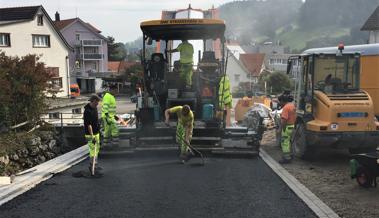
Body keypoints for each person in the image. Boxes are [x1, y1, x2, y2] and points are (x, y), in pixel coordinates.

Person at [83, 95, 102, 175]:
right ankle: (92, 167)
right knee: (92, 151)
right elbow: (89, 125)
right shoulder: (87, 111)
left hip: (96, 132)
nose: (98, 104)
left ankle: (95, 165)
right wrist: (92, 136)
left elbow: (95, 120)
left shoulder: (95, 108)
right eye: (97, 102)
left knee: (96, 149)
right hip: (90, 134)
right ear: (93, 100)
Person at [277, 91, 296, 164]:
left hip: (287, 127)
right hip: (292, 126)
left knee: (284, 142)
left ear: (282, 101)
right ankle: (290, 155)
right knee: (289, 142)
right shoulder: (292, 106)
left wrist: (281, 129)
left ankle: (286, 158)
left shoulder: (285, 108)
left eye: (280, 101)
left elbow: (284, 120)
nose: (279, 103)